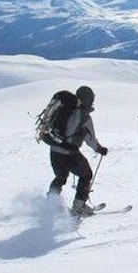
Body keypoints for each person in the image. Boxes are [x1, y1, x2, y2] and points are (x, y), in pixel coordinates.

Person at [47, 85, 108, 216]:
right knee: (86, 175)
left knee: (60, 177)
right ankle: (78, 207)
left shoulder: (64, 109)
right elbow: (90, 139)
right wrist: (100, 149)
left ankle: (49, 203)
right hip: (69, 154)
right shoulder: (84, 116)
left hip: (54, 151)